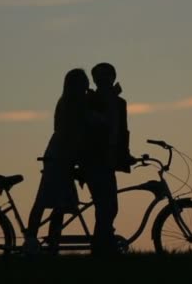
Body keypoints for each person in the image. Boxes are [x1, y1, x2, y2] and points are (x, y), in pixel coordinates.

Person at [24, 68, 90, 254]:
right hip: (60, 158)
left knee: (57, 203)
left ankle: (50, 241)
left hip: (60, 157)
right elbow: (75, 132)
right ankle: (34, 239)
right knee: (46, 201)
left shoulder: (68, 102)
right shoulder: (74, 104)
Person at [84, 62, 134, 255]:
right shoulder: (91, 100)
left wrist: (125, 154)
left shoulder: (120, 103)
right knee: (105, 205)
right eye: (100, 77)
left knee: (109, 206)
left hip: (109, 160)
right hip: (95, 159)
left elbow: (123, 132)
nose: (103, 80)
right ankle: (102, 246)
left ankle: (103, 243)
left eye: (107, 77)